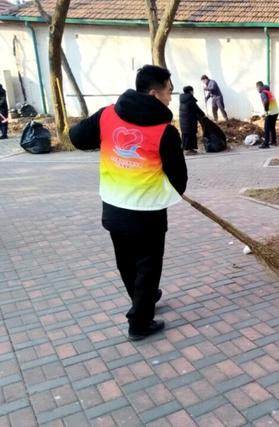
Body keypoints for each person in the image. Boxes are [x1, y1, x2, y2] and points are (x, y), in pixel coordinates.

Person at [70, 65, 187, 341]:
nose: (171, 97)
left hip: (113, 207)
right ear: (153, 93)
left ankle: (144, 298)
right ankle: (139, 322)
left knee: (126, 261)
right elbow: (179, 180)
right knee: (148, 266)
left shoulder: (108, 114)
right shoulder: (165, 132)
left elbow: (77, 138)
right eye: (169, 91)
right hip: (147, 213)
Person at [179, 85, 206, 155]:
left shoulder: (182, 98)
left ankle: (186, 149)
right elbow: (196, 109)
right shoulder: (190, 99)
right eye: (192, 91)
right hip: (189, 121)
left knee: (185, 135)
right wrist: (203, 114)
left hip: (183, 120)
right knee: (191, 135)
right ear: (190, 91)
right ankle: (189, 151)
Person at [256, 81, 279, 149]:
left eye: (257, 88)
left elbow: (266, 101)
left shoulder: (263, 93)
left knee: (266, 128)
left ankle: (266, 144)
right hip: (276, 111)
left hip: (270, 112)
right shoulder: (268, 91)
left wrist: (266, 110)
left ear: (258, 87)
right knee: (272, 127)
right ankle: (273, 141)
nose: (257, 90)